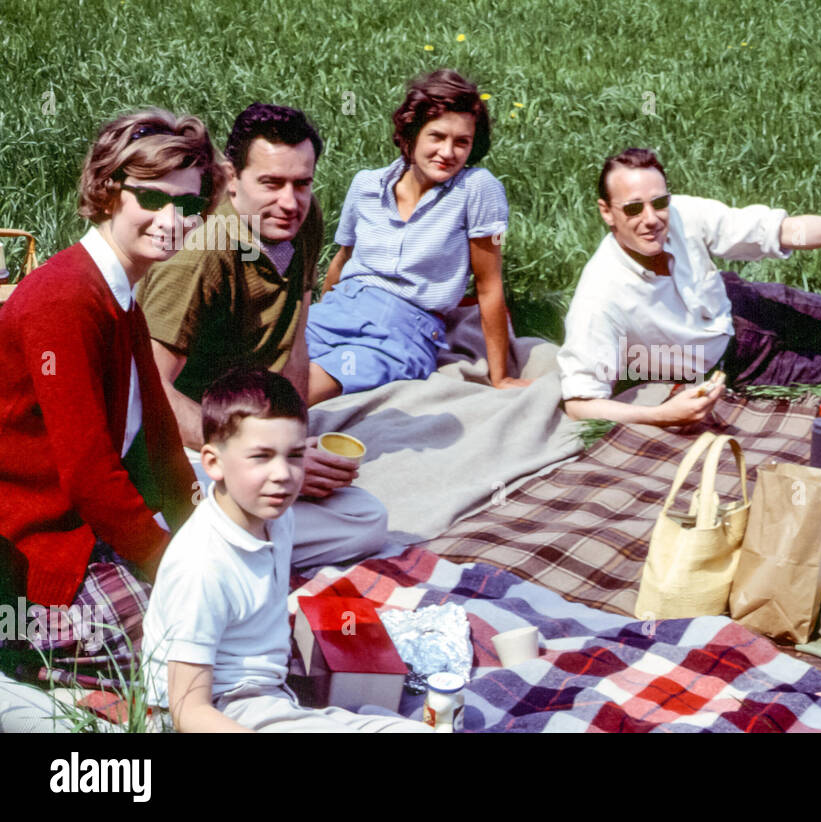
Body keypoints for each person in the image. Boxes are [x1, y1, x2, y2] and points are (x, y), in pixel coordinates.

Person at [0, 108, 219, 693]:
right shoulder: (65, 299)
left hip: (88, 521)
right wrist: (172, 566)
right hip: (35, 545)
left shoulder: (119, 293)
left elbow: (162, 447)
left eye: (191, 206)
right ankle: (19, 656)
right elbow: (88, 474)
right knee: (173, 649)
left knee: (222, 594)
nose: (173, 220)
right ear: (107, 191)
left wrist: (200, 540)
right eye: (153, 198)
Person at [558, 148, 821, 427]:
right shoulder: (600, 296)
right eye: (633, 208)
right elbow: (579, 401)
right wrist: (659, 414)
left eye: (660, 202)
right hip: (732, 366)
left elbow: (781, 231)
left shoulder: (685, 215)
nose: (651, 218)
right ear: (606, 212)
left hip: (747, 305)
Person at [137, 103, 391, 571]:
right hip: (183, 448)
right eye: (271, 184)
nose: (290, 202)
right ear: (232, 177)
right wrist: (269, 457)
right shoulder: (201, 255)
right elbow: (148, 392)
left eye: (302, 182)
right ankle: (177, 540)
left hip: (251, 432)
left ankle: (222, 545)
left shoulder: (300, 220)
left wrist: (292, 440)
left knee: (368, 518)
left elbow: (294, 341)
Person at [141, 367, 433, 732]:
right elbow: (186, 711)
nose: (283, 474)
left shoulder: (277, 518)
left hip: (268, 692)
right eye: (261, 457)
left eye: (294, 455)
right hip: (227, 709)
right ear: (212, 463)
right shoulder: (202, 566)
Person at [305, 68, 528, 404]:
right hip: (340, 307)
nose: (448, 152)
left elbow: (489, 285)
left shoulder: (477, 189)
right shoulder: (366, 184)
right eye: (436, 136)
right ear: (412, 135)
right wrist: (320, 313)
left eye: (462, 142)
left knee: (296, 392)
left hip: (403, 330)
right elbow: (343, 259)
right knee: (251, 366)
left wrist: (501, 377)